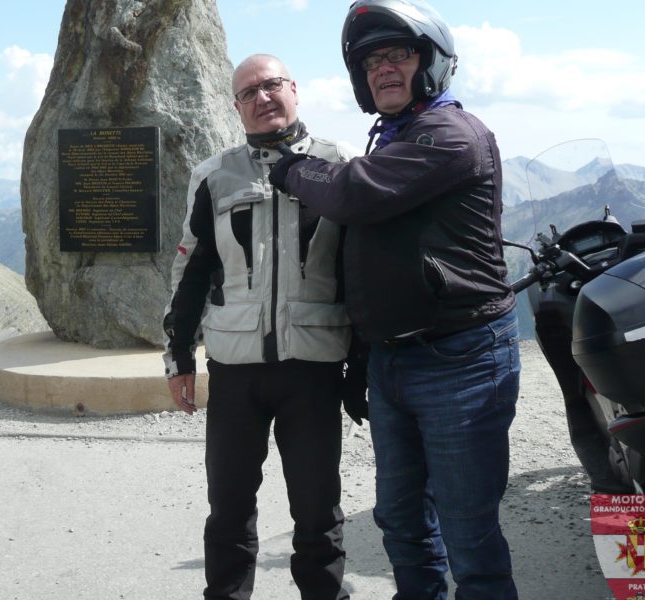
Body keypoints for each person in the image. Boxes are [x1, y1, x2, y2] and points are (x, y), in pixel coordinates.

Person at [268, 1, 522, 599]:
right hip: (393, 361)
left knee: (468, 534)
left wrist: (289, 168)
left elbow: (353, 196)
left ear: (431, 62)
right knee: (402, 520)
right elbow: (369, 259)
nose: (382, 69)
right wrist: (363, 355)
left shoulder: (452, 135)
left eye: (398, 55)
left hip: (460, 358)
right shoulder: (395, 138)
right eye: (372, 60)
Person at [162, 53, 366, 600]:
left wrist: (365, 364)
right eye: (248, 92)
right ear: (236, 107)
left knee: (317, 510)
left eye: (271, 85)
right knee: (227, 507)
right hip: (234, 370)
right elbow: (193, 269)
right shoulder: (213, 175)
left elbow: (364, 272)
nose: (262, 98)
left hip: (315, 366)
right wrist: (179, 355)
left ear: (294, 89)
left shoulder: (342, 163)